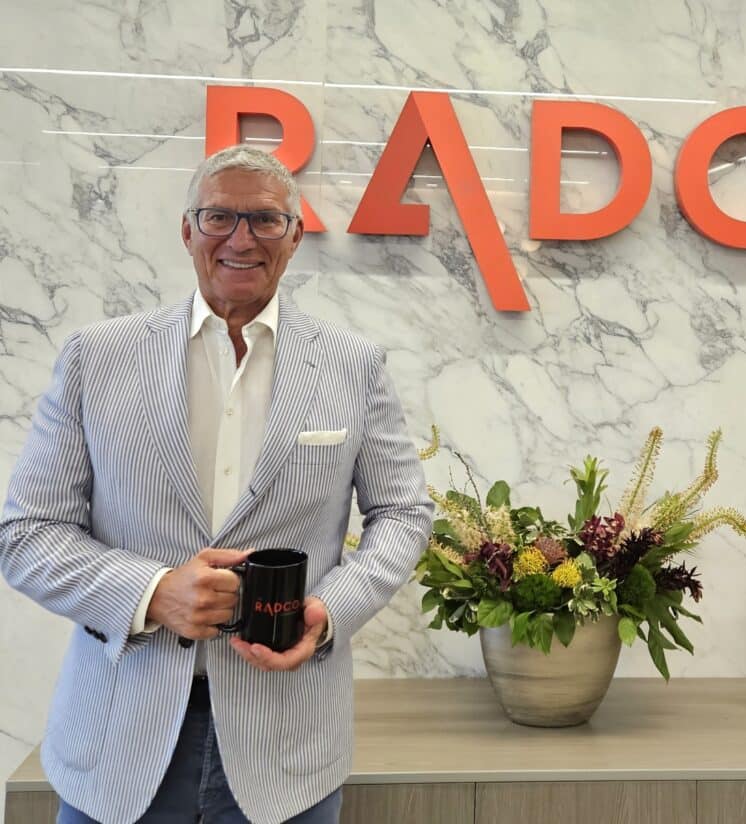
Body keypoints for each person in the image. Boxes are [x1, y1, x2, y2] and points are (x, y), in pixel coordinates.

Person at [0, 145, 433, 823]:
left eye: (264, 220)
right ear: (186, 230)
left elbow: (404, 514)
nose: (240, 238)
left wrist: (329, 613)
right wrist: (151, 592)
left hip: (288, 748)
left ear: (294, 236)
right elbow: (26, 534)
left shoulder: (353, 365)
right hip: (118, 740)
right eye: (218, 217)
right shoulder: (98, 356)